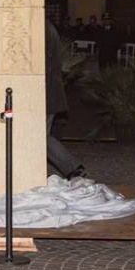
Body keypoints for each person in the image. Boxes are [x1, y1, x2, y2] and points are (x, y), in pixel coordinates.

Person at [44, 18, 84, 180]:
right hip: (49, 91)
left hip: (47, 92)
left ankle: (73, 168)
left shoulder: (42, 28)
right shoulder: (47, 27)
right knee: (41, 137)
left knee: (40, 137)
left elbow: (44, 64)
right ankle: (73, 168)